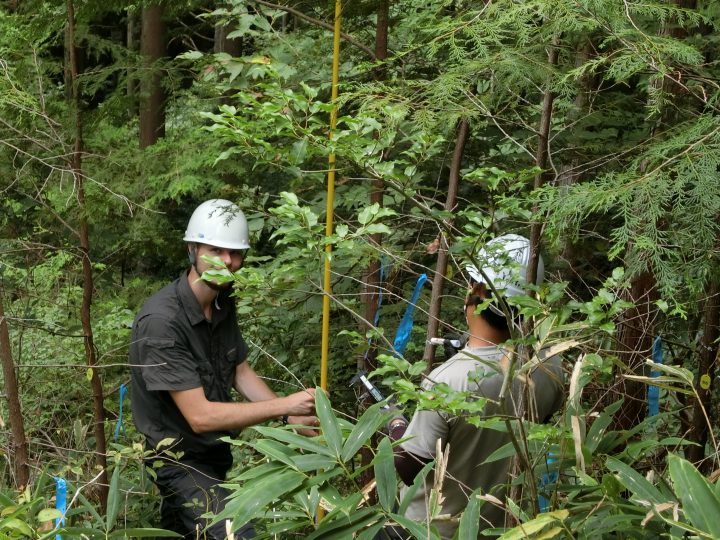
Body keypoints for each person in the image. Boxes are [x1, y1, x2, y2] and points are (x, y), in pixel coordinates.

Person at [129, 199, 319, 539]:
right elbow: (200, 416)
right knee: (235, 533)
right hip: (178, 461)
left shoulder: (221, 300)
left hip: (214, 454)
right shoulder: (162, 322)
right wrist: (286, 405)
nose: (228, 262)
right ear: (193, 249)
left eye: (235, 253)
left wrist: (290, 420)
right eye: (216, 250)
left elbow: (239, 371)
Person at [389, 234, 564, 539]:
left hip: (430, 531)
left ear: (478, 290)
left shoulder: (448, 381)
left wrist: (393, 423)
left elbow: (410, 470)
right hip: (505, 528)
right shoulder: (550, 365)